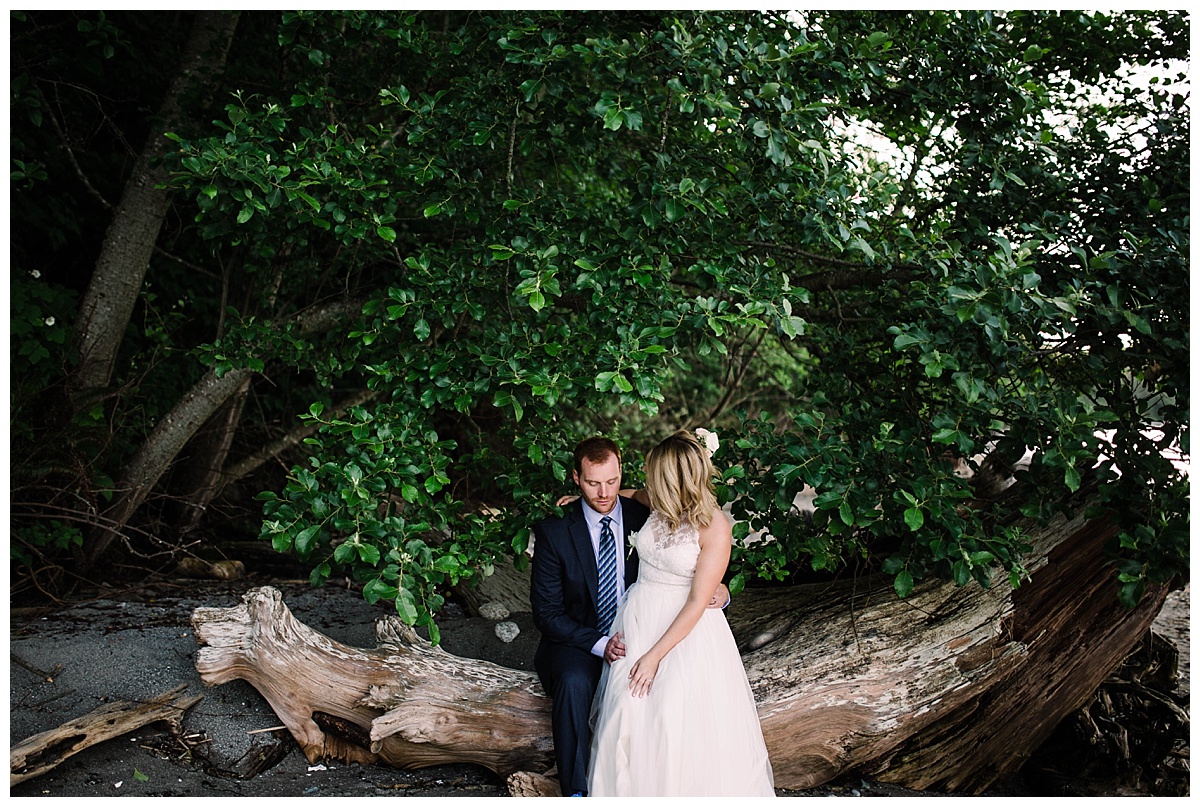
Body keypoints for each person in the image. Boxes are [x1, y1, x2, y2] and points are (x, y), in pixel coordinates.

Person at [530, 436, 728, 797]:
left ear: (623, 473)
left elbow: (697, 576)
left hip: (656, 628)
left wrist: (722, 591)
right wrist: (587, 502)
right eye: (592, 483)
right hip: (587, 633)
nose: (604, 492)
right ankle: (577, 792)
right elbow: (545, 612)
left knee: (663, 705)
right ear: (576, 478)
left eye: (611, 481)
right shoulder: (557, 529)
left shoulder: (648, 512)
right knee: (577, 682)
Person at [586, 429, 775, 796]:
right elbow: (628, 496)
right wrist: (581, 498)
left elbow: (696, 602)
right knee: (624, 712)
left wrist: (655, 656)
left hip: (685, 634)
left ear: (674, 477)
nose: (646, 481)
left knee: (672, 718)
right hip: (640, 617)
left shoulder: (715, 526)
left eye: (654, 473)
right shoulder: (657, 501)